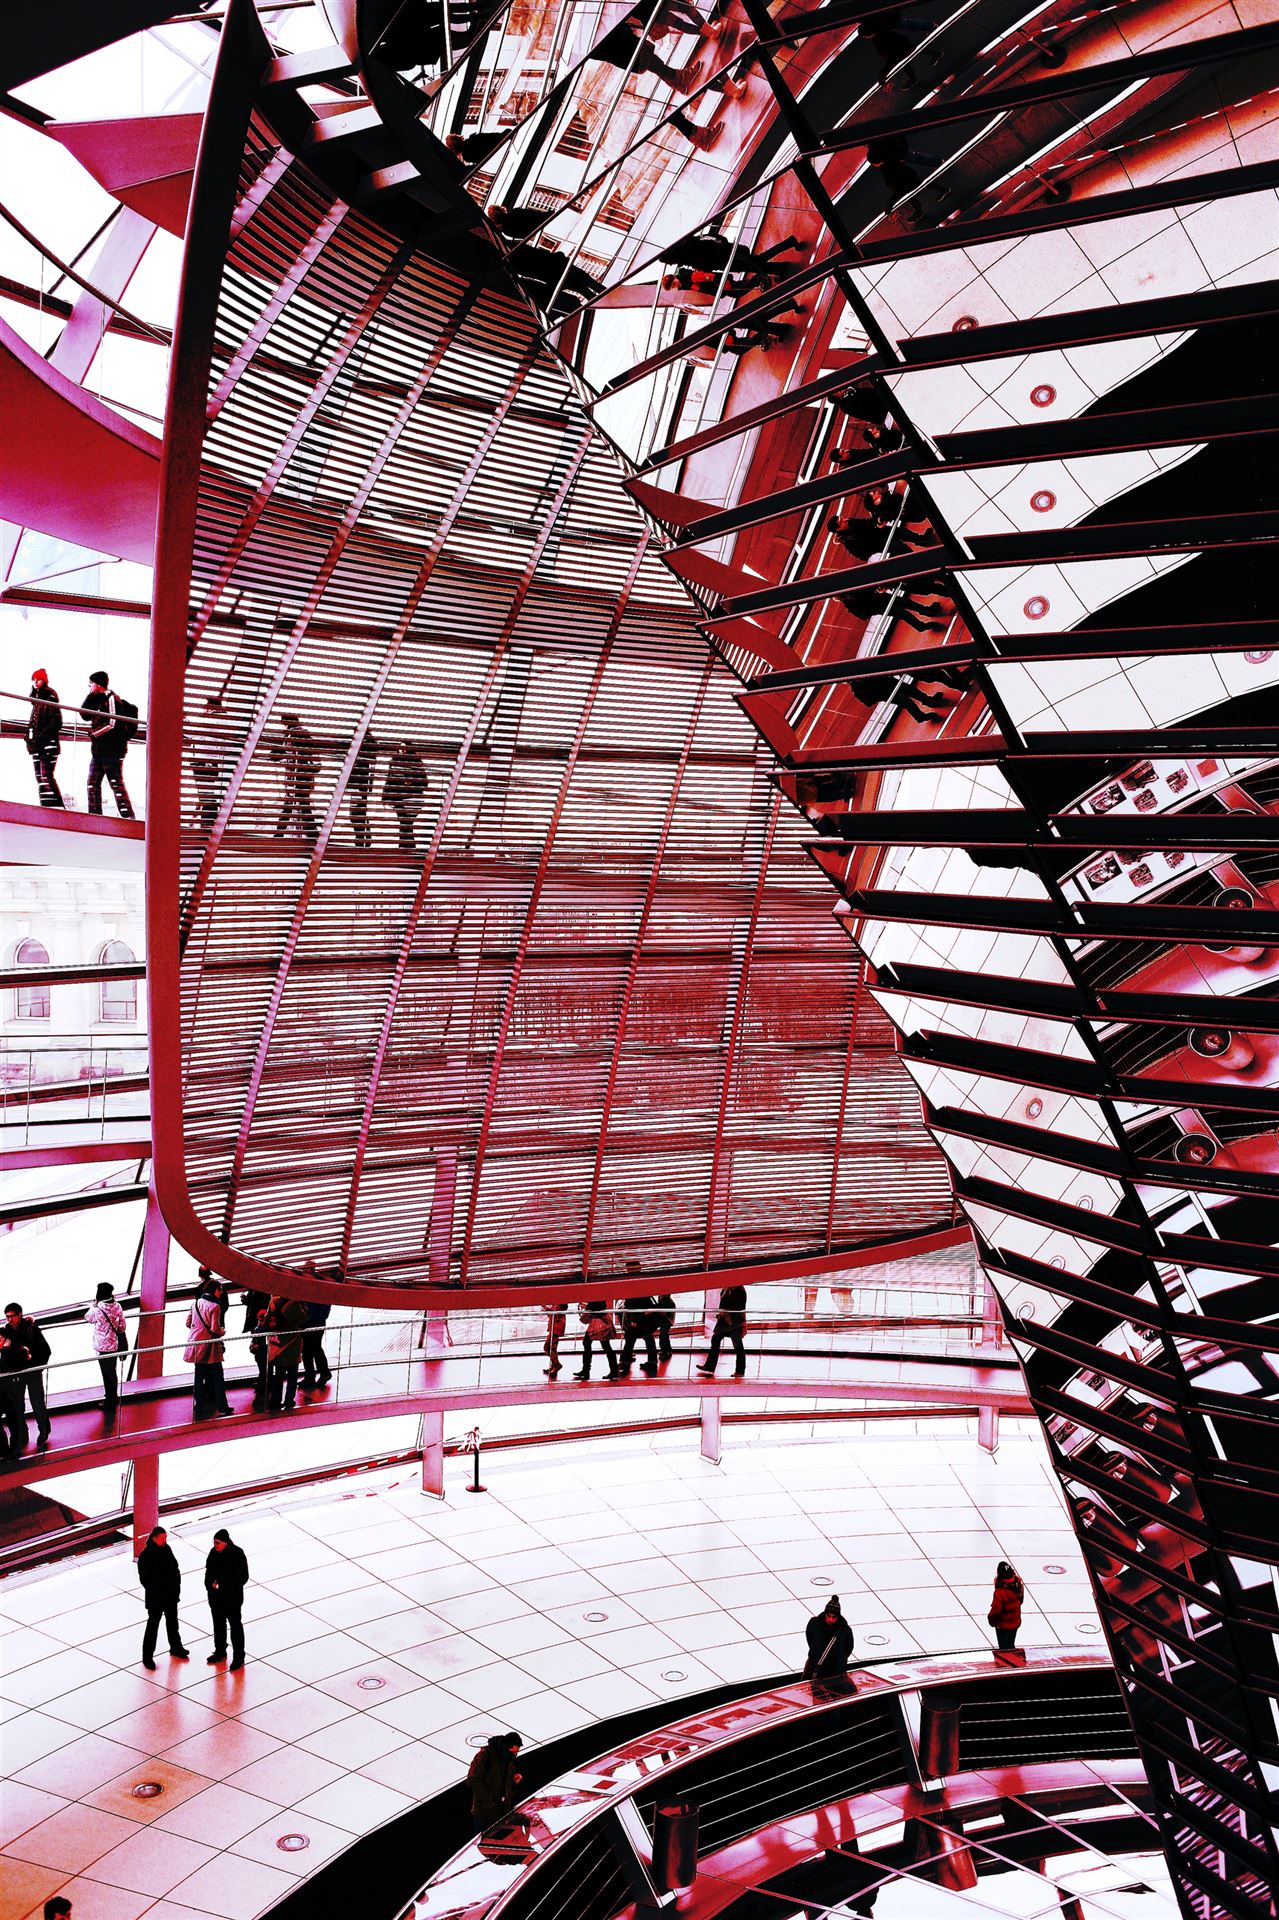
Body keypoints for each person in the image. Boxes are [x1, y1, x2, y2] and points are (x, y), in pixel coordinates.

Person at [83, 671, 136, 818]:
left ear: (99, 684)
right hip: (99, 750)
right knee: (92, 783)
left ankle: (128, 817)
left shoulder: (112, 698)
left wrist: (95, 734)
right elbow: (84, 714)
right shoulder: (97, 699)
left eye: (91, 683)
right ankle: (94, 816)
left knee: (115, 783)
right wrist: (90, 695)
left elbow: (113, 723)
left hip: (112, 750)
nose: (89, 685)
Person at [137, 1525, 190, 1669]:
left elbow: (175, 1568)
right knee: (153, 1627)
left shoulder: (166, 1549)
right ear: (154, 1538)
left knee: (173, 1623)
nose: (164, 1540)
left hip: (170, 1595)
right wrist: (162, 1588)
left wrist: (175, 1588)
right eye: (162, 1538)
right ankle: (147, 1657)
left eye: (165, 1537)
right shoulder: (146, 1556)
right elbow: (145, 1580)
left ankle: (176, 1647)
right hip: (157, 1598)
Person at [4, 1303, 51, 1449]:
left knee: (37, 1404)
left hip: (32, 1373)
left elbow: (46, 1351)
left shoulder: (32, 1329)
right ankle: (23, 1433)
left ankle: (43, 1430)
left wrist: (35, 1366)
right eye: (7, 1317)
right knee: (18, 1406)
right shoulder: (7, 1331)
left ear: (20, 1315)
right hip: (18, 1374)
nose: (9, 1319)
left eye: (12, 1316)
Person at [184, 1278, 229, 1419]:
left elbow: (188, 1323)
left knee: (199, 1376)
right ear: (214, 1290)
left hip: (196, 1344)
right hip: (210, 1346)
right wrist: (222, 1331)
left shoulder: (195, 1303)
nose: (221, 1293)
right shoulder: (215, 1306)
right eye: (220, 1290)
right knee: (218, 1376)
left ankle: (199, 1405)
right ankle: (223, 1406)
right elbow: (215, 1329)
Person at [205, 1527, 249, 1668]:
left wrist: (223, 1587)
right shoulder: (213, 1553)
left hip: (232, 1600)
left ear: (225, 1542)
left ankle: (239, 1656)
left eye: (217, 1543)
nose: (215, 1545)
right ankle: (220, 1651)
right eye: (214, 1542)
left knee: (235, 1626)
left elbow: (243, 1577)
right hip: (216, 1599)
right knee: (218, 1626)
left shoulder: (237, 1553)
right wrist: (210, 1586)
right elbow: (208, 1572)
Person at [271, 713, 320, 840]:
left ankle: (279, 835)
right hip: (305, 777)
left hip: (296, 778)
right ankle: (312, 834)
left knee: (292, 805)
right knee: (300, 805)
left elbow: (276, 754)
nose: (283, 727)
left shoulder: (291, 735)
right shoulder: (304, 733)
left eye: (283, 724)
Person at [86, 1282, 127, 1418]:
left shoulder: (97, 1308)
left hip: (102, 1347)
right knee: (112, 1373)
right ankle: (112, 1398)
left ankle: (110, 1401)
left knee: (106, 1374)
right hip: (113, 1345)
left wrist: (93, 1305)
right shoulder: (117, 1306)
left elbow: (88, 1318)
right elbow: (122, 1326)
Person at [468, 1731, 522, 1834]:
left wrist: (514, 1779)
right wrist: (489, 1802)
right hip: (485, 1815)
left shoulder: (508, 1758)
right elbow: (473, 1779)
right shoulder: (485, 1755)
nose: (515, 1755)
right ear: (506, 1747)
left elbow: (504, 1779)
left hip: (502, 1813)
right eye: (513, 1752)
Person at [25, 669, 64, 808]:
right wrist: (29, 739)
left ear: (44, 681)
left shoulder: (49, 697)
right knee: (41, 778)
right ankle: (47, 807)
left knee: (46, 776)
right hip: (38, 745)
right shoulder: (37, 700)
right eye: (34, 679)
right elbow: (34, 723)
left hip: (47, 744)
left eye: (38, 679)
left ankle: (56, 808)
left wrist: (41, 737)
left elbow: (56, 722)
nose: (35, 682)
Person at [384, 740, 427, 850]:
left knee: (405, 822)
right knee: (405, 822)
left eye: (404, 747)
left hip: (412, 797)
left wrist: (411, 781)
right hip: (398, 797)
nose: (402, 750)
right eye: (400, 747)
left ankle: (405, 847)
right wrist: (384, 797)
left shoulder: (416, 762)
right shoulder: (393, 762)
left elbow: (424, 782)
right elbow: (389, 780)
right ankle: (407, 847)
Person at [267, 1296, 308, 1411]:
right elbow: (304, 1317)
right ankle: (289, 1401)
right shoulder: (294, 1303)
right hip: (292, 1343)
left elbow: (267, 1318)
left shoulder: (273, 1302)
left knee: (278, 1376)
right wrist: (303, 1304)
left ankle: (275, 1401)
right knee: (292, 1376)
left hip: (278, 1344)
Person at [190, 694, 225, 831]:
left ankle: (208, 824)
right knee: (206, 794)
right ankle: (208, 823)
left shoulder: (213, 719)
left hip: (205, 761)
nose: (204, 708)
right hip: (209, 761)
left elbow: (194, 733)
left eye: (206, 706)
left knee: (206, 795)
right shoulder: (220, 719)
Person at [698, 1283, 747, 1376]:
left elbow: (740, 1308)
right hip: (725, 1321)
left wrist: (726, 1314)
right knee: (716, 1339)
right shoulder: (726, 1289)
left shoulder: (739, 1290)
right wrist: (721, 1314)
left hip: (734, 1322)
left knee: (737, 1345)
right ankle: (710, 1366)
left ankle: (740, 1371)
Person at [803, 1595, 855, 1678]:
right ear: (825, 1614)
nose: (831, 1620)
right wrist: (815, 1652)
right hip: (814, 1667)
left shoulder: (845, 1630)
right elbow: (810, 1638)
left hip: (834, 1670)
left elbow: (848, 1648)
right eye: (829, 1616)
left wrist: (839, 1659)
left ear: (838, 1617)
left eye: (834, 1617)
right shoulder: (814, 1623)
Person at [0, 1325, 31, 1460]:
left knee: (14, 1422)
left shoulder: (14, 1352)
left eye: (0, 1339)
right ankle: (3, 1450)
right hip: (2, 1394)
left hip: (11, 1394)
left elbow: (6, 1366)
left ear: (7, 1340)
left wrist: (5, 1350)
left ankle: (15, 1450)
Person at [348, 726, 379, 849]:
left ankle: (363, 838)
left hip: (360, 784)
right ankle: (362, 838)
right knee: (357, 812)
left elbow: (367, 765)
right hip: (359, 784)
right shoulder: (366, 743)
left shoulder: (367, 744)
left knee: (356, 813)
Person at [575, 1301, 619, 1380]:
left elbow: (593, 1307)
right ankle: (614, 1371)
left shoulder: (595, 1297)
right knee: (605, 1346)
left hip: (598, 1321)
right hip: (602, 1320)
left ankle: (586, 1370)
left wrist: (587, 1307)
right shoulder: (599, 1297)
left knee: (589, 1343)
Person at [619, 1295, 659, 1375]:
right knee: (649, 1341)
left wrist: (634, 1320)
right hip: (646, 1322)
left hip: (637, 1321)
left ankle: (625, 1363)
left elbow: (630, 1307)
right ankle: (652, 1362)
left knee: (629, 1341)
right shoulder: (646, 1296)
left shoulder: (632, 1297)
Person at [989, 1561, 1024, 1650]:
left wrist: (991, 1620)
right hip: (1015, 1622)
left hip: (1003, 1626)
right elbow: (1021, 1601)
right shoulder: (1018, 1584)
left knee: (1004, 1649)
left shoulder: (1000, 1592)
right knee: (1011, 1645)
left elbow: (996, 1611)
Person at [301, 1299, 332, 1391]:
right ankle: (312, 1375)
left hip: (314, 1326)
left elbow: (324, 1313)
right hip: (309, 1325)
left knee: (314, 1349)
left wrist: (309, 1321)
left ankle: (322, 1373)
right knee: (308, 1350)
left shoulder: (321, 1296)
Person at [249, 1305, 271, 1409]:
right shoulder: (267, 1329)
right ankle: (265, 1387)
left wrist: (253, 1347)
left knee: (263, 1371)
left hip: (260, 1354)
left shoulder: (257, 1329)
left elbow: (255, 1341)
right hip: (264, 1354)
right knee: (265, 1371)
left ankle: (262, 1388)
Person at [543, 1304, 567, 1376]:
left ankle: (557, 1365)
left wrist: (546, 1309)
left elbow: (555, 1316)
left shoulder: (559, 1305)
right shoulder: (558, 1304)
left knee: (547, 1347)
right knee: (553, 1348)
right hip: (555, 1328)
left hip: (555, 1328)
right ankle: (553, 1367)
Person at [652, 1293, 676, 1361]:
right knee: (665, 1335)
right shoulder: (667, 1301)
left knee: (663, 1336)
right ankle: (668, 1350)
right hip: (668, 1320)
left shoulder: (666, 1301)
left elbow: (664, 1313)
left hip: (667, 1320)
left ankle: (665, 1352)